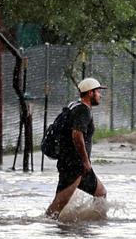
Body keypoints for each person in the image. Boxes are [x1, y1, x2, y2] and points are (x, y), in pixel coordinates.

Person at [46, 78, 108, 218]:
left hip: (79, 166)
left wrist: (85, 163)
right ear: (90, 93)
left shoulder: (75, 106)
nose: (100, 95)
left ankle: (95, 223)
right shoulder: (82, 111)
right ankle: (44, 226)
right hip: (73, 165)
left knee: (101, 194)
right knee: (56, 208)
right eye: (98, 92)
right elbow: (77, 135)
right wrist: (85, 161)